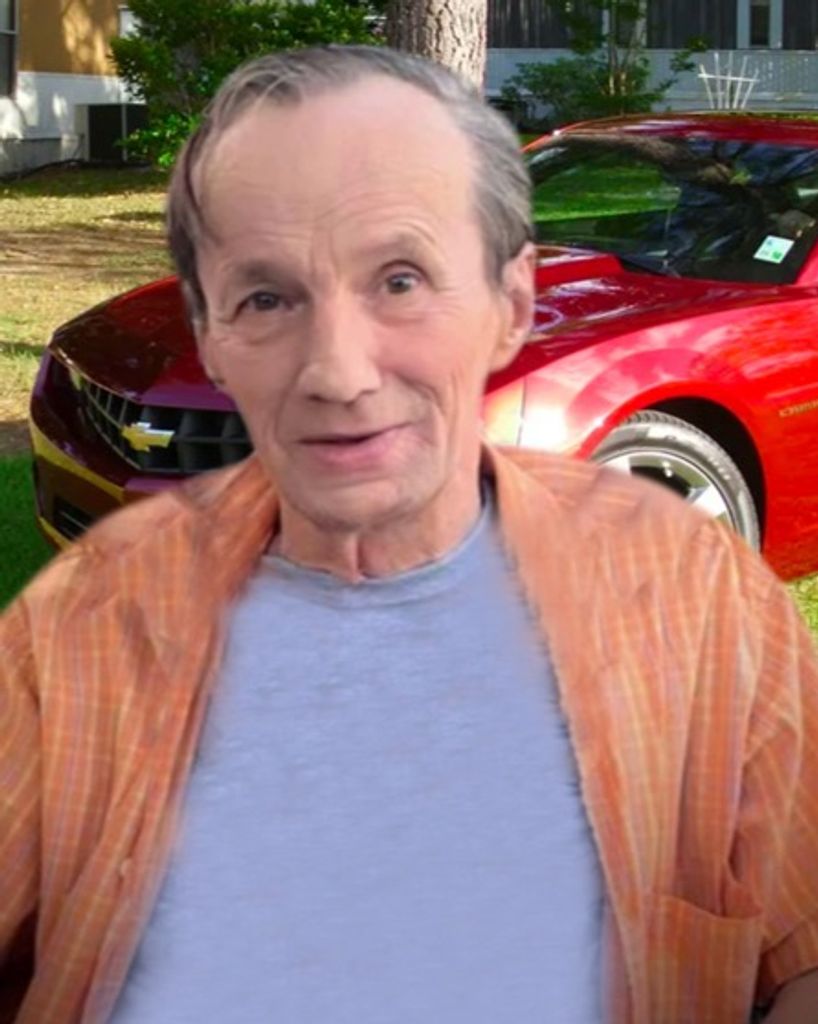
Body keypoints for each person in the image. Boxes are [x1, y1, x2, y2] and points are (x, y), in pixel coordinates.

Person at [2, 45, 818, 1024]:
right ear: (212, 334)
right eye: (267, 295)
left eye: (399, 278)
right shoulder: (75, 632)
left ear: (510, 303)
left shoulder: (707, 602)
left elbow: (801, 941)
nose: (338, 372)